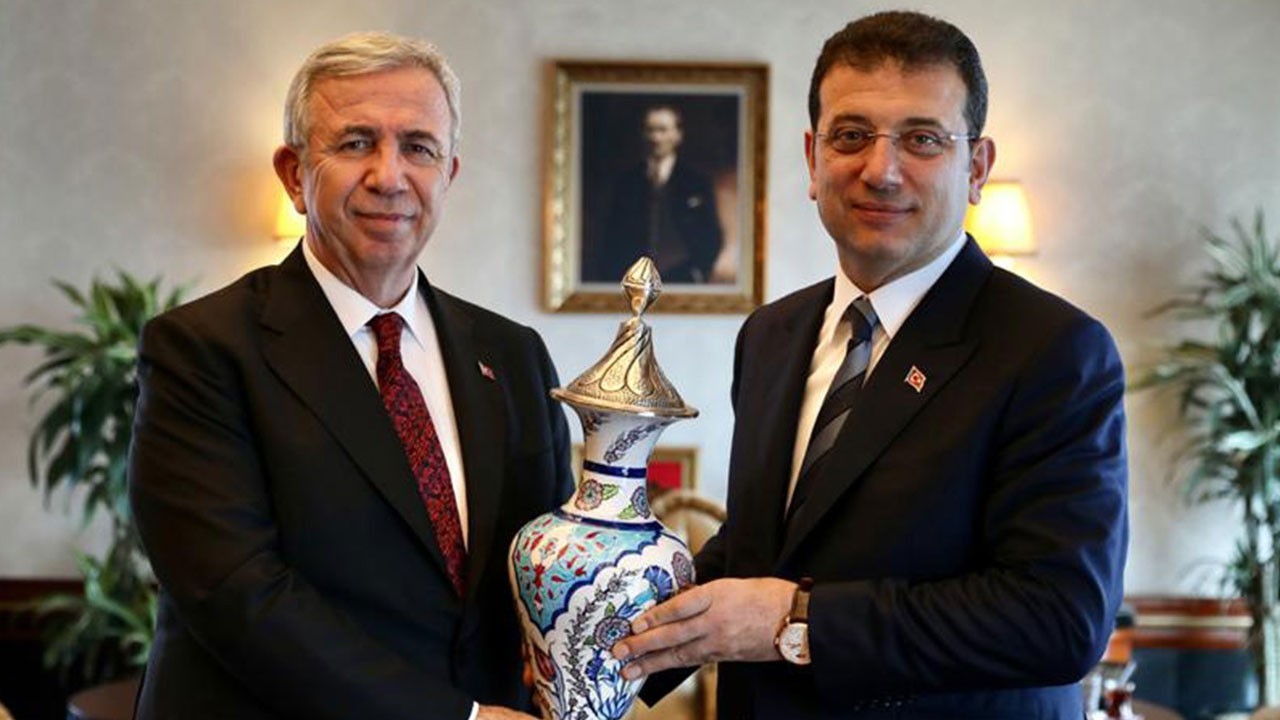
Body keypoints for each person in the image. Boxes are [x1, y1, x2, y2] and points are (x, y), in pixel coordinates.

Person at [612, 11, 1128, 719]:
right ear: (812, 159)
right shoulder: (771, 335)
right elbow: (761, 549)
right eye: (851, 136)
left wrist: (796, 619)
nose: (880, 171)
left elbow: (1059, 618)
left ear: (977, 168)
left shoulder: (1053, 349)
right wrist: (610, 648)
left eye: (922, 139)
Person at [128, 32, 572, 720]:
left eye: (418, 148)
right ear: (293, 174)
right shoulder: (201, 349)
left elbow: (545, 565)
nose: (389, 176)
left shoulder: (513, 355)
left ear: (449, 175)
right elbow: (239, 594)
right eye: (357, 143)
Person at [585, 105, 724, 284]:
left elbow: (711, 236)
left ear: (678, 135)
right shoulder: (626, 183)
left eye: (662, 130)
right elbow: (610, 237)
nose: (656, 138)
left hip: (682, 279)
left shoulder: (696, 182)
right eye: (650, 130)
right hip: (634, 281)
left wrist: (697, 270)